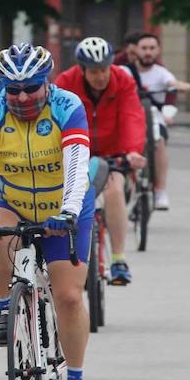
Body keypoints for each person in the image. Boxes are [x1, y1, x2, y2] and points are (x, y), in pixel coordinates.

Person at [0, 43, 95, 380]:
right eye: (13, 90)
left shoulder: (68, 106)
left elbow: (77, 163)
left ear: (47, 83)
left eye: (32, 88)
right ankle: (5, 304)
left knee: (69, 296)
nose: (22, 97)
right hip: (13, 199)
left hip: (63, 207)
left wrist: (69, 210)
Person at [55, 37, 147, 285]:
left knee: (114, 190)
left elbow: (132, 116)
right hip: (75, 153)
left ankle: (118, 259)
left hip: (113, 153)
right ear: (82, 70)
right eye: (94, 71)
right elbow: (55, 119)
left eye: (104, 69)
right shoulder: (66, 82)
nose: (100, 76)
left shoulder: (123, 80)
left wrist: (132, 151)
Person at [132, 32, 190, 211]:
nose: (148, 52)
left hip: (153, 118)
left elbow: (172, 82)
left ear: (158, 51)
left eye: (152, 48)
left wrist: (183, 86)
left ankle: (160, 190)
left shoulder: (161, 73)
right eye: (144, 48)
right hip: (131, 117)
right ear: (136, 50)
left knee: (159, 142)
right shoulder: (126, 71)